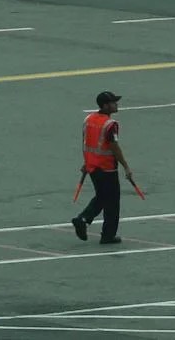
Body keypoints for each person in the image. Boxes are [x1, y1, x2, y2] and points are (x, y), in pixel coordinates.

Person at [72, 90, 131, 245]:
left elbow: (87, 142)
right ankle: (107, 234)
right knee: (112, 201)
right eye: (113, 102)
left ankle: (84, 219)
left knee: (102, 196)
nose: (116, 104)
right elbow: (114, 147)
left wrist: (86, 162)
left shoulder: (89, 119)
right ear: (105, 106)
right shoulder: (110, 125)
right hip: (107, 168)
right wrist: (126, 166)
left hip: (93, 166)